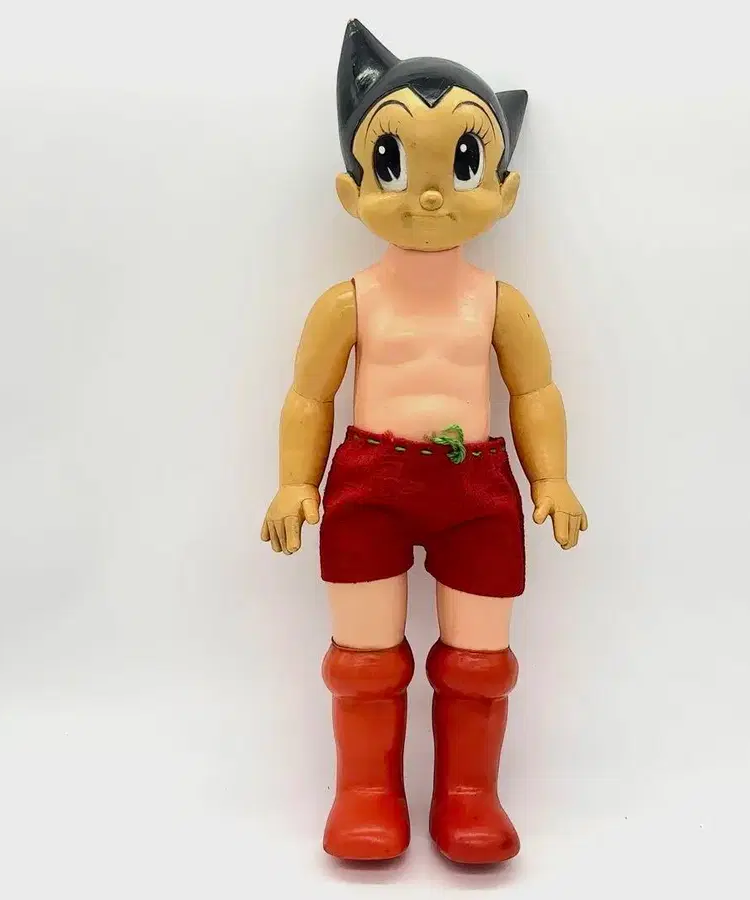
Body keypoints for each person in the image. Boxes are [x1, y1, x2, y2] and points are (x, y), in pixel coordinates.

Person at [262, 19, 587, 864]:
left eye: (464, 163)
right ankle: (365, 795)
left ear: (504, 192)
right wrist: (296, 482)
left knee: (480, 658)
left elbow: (536, 392)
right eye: (395, 163)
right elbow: (308, 396)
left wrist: (550, 478)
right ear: (352, 191)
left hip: (475, 491)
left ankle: (469, 797)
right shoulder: (348, 302)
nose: (432, 197)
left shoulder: (500, 303)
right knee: (363, 656)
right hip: (369, 484)